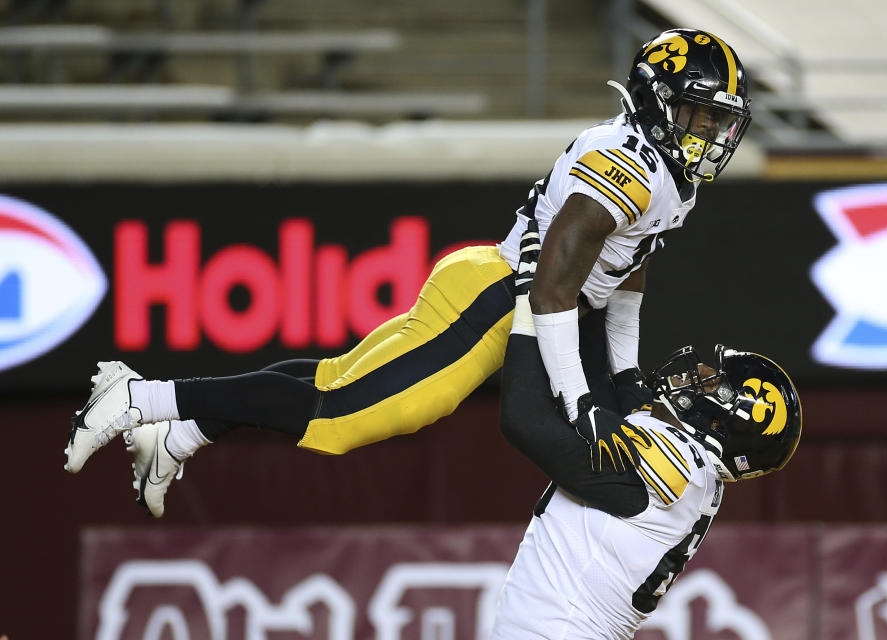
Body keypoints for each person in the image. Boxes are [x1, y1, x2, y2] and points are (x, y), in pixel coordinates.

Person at [64, 28, 754, 518]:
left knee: (337, 380)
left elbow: (627, 272)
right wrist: (581, 402)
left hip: (498, 287)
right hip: (501, 296)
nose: (708, 132)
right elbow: (554, 286)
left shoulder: (669, 177)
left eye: (718, 120)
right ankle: (141, 396)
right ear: (658, 98)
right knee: (338, 417)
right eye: (698, 112)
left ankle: (181, 432)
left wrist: (626, 376)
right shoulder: (628, 163)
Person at [490, 289, 802, 639]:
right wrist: (595, 282)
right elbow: (590, 375)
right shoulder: (692, 470)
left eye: (715, 382)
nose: (698, 373)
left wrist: (533, 297)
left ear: (719, 422)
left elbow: (523, 419)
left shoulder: (675, 466)